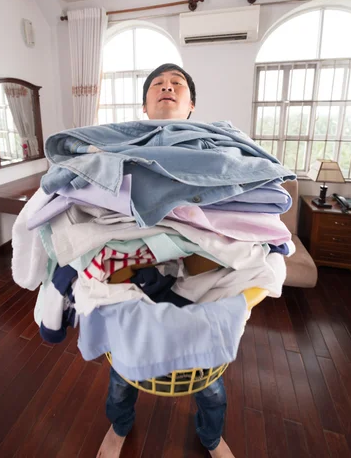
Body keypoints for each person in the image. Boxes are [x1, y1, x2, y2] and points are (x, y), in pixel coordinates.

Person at [96, 63, 235, 458]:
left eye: (177, 84)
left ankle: (211, 436)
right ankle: (120, 426)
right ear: (145, 104)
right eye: (158, 84)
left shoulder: (217, 146)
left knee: (208, 377)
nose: (168, 87)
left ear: (191, 105)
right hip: (132, 269)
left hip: (201, 271)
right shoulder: (123, 148)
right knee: (123, 370)